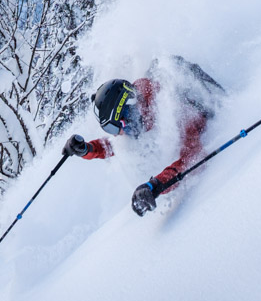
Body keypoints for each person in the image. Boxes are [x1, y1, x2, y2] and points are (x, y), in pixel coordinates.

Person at [64, 56, 224, 216]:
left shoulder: (173, 108)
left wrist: (155, 185)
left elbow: (192, 158)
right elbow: (117, 146)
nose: (119, 134)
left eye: (118, 127)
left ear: (129, 110)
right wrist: (86, 149)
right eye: (112, 130)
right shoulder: (141, 113)